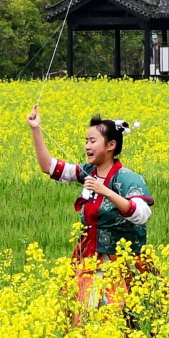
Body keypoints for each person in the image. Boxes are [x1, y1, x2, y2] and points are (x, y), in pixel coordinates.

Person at [27, 107, 153, 321]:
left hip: (121, 261)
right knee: (82, 314)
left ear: (111, 145)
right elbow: (49, 167)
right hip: (90, 257)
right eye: (86, 140)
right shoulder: (88, 172)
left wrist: (106, 191)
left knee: (125, 317)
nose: (87, 146)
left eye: (93, 141)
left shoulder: (127, 178)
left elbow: (141, 213)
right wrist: (36, 129)